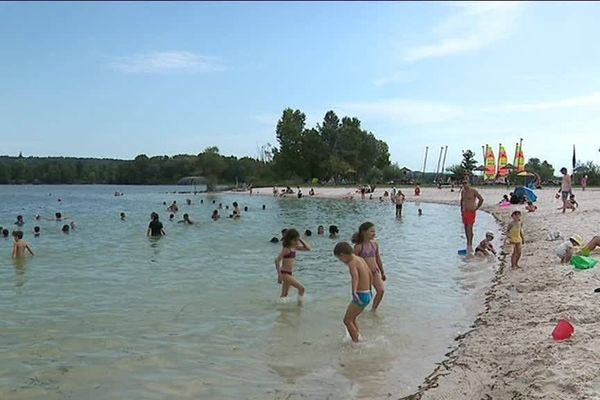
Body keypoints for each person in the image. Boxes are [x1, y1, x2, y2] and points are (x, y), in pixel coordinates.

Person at [334, 242, 373, 343]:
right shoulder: (360, 259)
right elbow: (369, 273)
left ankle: (356, 343)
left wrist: (354, 293)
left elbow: (355, 277)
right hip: (367, 293)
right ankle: (357, 337)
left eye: (340, 259)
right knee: (352, 318)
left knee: (347, 320)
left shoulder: (352, 263)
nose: (341, 261)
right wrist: (370, 289)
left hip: (360, 295)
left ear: (342, 255)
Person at [352, 222, 386, 312]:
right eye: (371, 231)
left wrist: (382, 272)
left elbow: (378, 258)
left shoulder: (375, 244)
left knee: (381, 290)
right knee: (364, 295)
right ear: (364, 232)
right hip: (364, 275)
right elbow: (353, 263)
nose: (374, 233)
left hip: (375, 272)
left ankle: (373, 310)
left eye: (374, 231)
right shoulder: (358, 247)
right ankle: (358, 311)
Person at [274, 229, 311, 302]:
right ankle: (299, 307)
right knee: (301, 288)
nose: (296, 241)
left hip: (289, 273)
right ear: (290, 239)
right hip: (284, 273)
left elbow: (308, 248)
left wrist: (300, 238)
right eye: (294, 240)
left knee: (284, 295)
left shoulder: (294, 247)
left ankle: (282, 311)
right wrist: (279, 275)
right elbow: (277, 260)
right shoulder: (286, 249)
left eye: (296, 239)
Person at [460, 176, 484, 254]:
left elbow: (481, 199)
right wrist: (461, 210)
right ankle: (468, 244)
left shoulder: (473, 191)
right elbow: (462, 200)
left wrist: (476, 208)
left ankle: (470, 244)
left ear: (469, 183)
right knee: (466, 228)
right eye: (463, 183)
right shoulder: (463, 191)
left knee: (470, 228)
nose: (464, 185)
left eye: (466, 183)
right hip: (465, 212)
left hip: (471, 211)